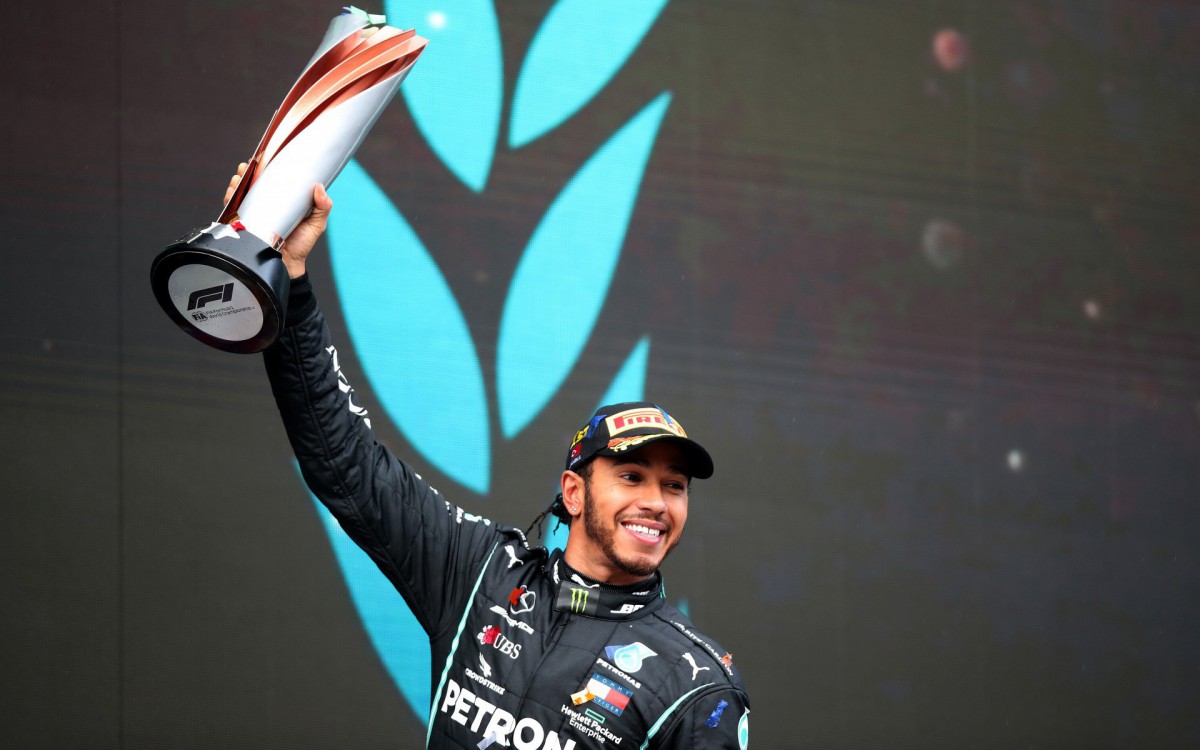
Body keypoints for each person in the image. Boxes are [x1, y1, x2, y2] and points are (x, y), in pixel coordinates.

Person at [230, 166, 750, 749]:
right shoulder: (478, 573)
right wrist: (290, 279)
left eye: (674, 486)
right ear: (573, 493)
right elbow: (343, 460)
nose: (655, 503)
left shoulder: (696, 689)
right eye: (631, 476)